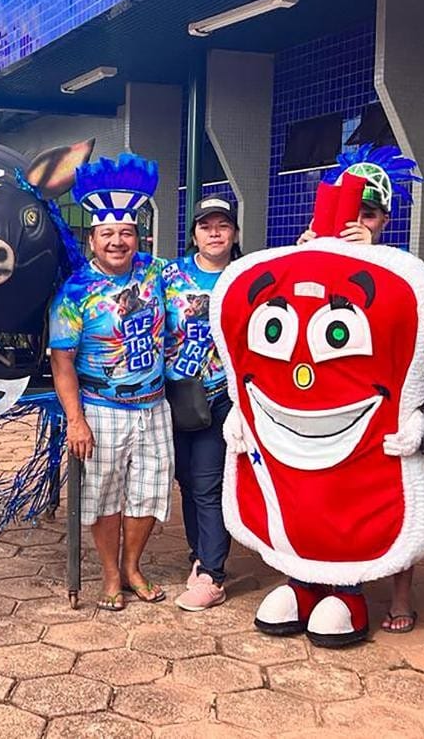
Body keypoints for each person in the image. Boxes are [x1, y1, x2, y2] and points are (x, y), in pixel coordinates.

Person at [295, 144, 423, 634]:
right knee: (330, 493)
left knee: (398, 495)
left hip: (385, 400)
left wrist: (371, 257)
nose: (359, 222)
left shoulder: (399, 265)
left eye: (369, 214)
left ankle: (402, 595)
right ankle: (322, 583)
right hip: (326, 396)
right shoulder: (312, 251)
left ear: (384, 220)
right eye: (353, 211)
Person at [50, 153, 171, 612]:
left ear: (138, 236)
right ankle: (108, 573)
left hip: (155, 405)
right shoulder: (74, 293)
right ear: (92, 240)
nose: (117, 242)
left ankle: (133, 566)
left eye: (125, 233)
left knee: (149, 490)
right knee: (102, 494)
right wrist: (76, 422)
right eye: (107, 234)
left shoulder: (159, 274)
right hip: (101, 408)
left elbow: (211, 274)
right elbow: (62, 362)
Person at [163, 196, 241, 611]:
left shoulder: (246, 276)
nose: (215, 233)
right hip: (175, 397)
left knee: (208, 484)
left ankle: (213, 573)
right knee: (187, 482)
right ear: (194, 233)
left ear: (234, 233)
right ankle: (200, 557)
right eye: (206, 226)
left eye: (223, 225)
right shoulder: (171, 274)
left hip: (222, 398)